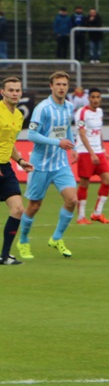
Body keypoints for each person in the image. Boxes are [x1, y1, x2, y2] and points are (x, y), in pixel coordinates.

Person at [17, 71, 77, 260]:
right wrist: (57, 143)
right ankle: (23, 241)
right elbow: (31, 135)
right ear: (51, 86)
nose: (61, 88)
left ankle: (56, 238)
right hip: (40, 164)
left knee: (72, 200)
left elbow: (67, 127)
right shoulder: (42, 108)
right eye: (58, 84)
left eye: (64, 85)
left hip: (60, 163)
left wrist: (72, 145)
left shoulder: (69, 107)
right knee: (34, 205)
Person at [0, 77, 34, 265]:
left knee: (18, 209)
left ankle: (4, 256)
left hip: (5, 167)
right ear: (2, 92)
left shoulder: (19, 116)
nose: (14, 93)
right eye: (10, 90)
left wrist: (20, 160)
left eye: (17, 90)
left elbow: (10, 143)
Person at [74, 88, 109, 225]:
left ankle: (97, 213)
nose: (96, 99)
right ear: (88, 98)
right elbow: (82, 134)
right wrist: (91, 153)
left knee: (108, 180)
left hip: (99, 152)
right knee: (84, 183)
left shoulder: (100, 112)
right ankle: (80, 217)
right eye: (93, 97)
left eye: (98, 97)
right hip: (85, 152)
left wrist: (103, 149)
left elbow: (99, 132)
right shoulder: (82, 113)